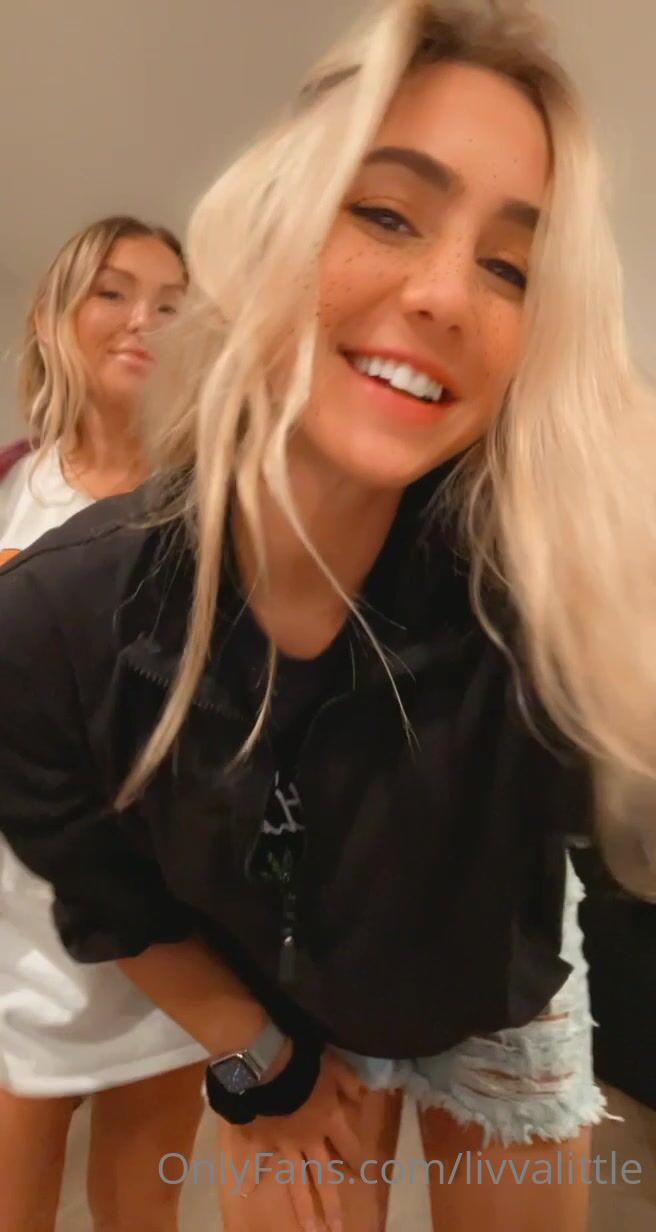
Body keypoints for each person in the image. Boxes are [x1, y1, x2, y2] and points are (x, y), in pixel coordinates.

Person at [1, 2, 655, 1229]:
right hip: (287, 1012)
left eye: (509, 266)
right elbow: (109, 895)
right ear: (272, 230)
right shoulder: (55, 621)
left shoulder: (544, 591)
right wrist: (263, 1058)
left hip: (493, 991)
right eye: (386, 213)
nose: (445, 293)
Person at [0, 216, 209, 1232]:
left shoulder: (213, 508)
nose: (143, 321)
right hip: (13, 939)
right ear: (51, 319)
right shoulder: (8, 488)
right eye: (113, 292)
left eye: (171, 304)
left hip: (161, 933)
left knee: (142, 1208)